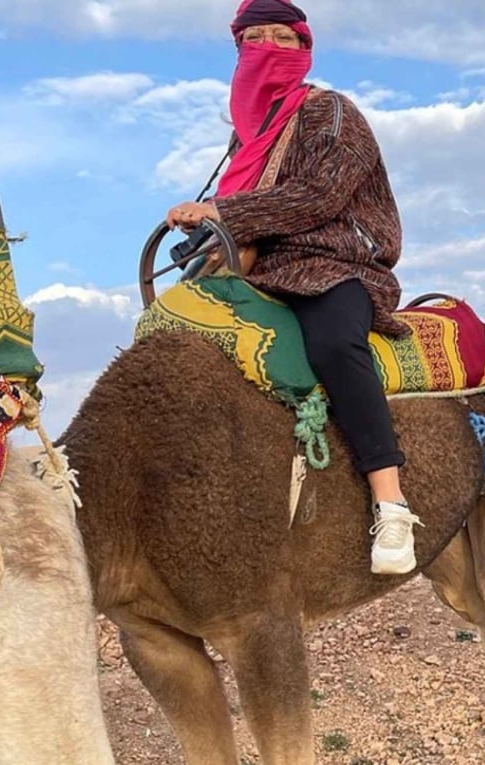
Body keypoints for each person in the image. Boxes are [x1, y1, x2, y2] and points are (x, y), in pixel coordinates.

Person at [164, 0, 420, 575]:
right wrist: (207, 226)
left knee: (333, 343)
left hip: (335, 263)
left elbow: (320, 195)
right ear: (238, 50)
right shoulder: (246, 139)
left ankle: (391, 503)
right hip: (258, 270)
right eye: (256, 39)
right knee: (174, 337)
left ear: (304, 49)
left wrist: (222, 212)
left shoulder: (331, 112)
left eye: (283, 39)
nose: (269, 50)